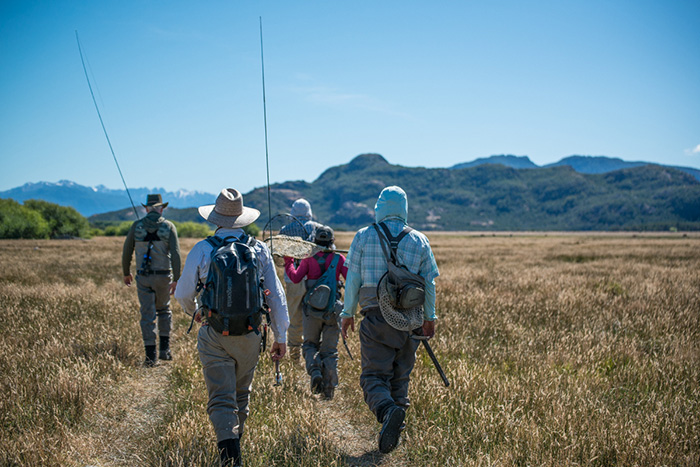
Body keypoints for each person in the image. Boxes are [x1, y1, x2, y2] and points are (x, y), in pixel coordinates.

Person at [174, 188, 289, 467]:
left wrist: (196, 312)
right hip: (251, 333)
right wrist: (280, 336)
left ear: (215, 218)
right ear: (242, 219)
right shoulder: (259, 249)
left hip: (214, 333)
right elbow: (276, 295)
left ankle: (230, 457)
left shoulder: (203, 249)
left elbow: (181, 293)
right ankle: (236, 445)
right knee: (240, 394)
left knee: (221, 397)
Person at [340, 186, 439, 454]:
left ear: (379, 207)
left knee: (374, 376)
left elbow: (353, 280)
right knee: (400, 379)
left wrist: (347, 313)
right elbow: (429, 283)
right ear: (404, 208)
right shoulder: (420, 240)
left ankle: (387, 413)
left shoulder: (363, 236)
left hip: (375, 319)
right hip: (411, 323)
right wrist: (430, 318)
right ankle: (394, 433)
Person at [284, 225, 348, 399]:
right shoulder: (339, 259)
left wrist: (288, 261)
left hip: (311, 311)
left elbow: (295, 277)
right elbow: (350, 282)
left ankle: (314, 371)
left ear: (315, 241)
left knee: (310, 345)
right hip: (332, 312)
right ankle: (329, 390)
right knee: (330, 351)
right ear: (332, 241)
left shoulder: (308, 258)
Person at [122, 193, 181, 367]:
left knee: (147, 315)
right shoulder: (169, 226)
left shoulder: (136, 226)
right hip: (163, 276)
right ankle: (165, 350)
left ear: (146, 208)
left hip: (143, 276)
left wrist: (126, 272)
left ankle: (150, 356)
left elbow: (127, 251)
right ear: (162, 208)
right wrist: (176, 278)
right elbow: (176, 254)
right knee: (164, 310)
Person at [279, 198, 322, 360]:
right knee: (316, 317)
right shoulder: (318, 228)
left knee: (295, 319)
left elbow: (279, 253)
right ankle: (314, 355)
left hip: (292, 280)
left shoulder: (285, 230)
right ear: (309, 212)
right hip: (315, 279)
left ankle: (295, 358)